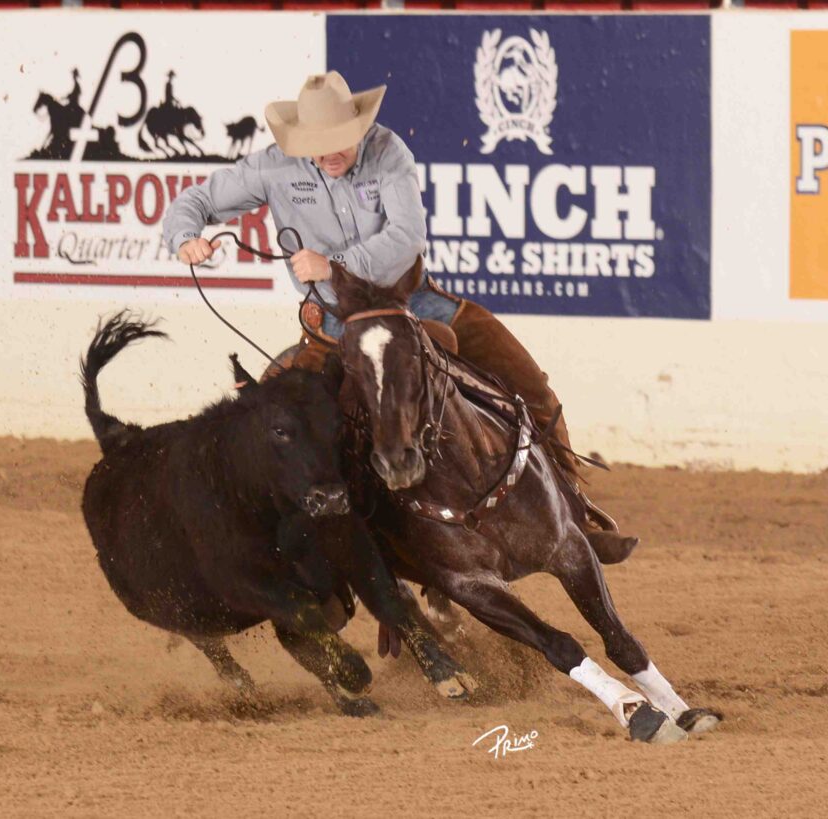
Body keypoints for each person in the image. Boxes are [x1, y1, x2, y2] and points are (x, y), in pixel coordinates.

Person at [162, 71, 636, 559]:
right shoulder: (274, 167)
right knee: (269, 417)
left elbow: (407, 238)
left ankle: (578, 513)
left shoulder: (389, 154)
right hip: (331, 322)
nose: (328, 154)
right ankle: (265, 545)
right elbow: (196, 200)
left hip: (410, 302)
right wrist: (185, 237)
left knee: (529, 384)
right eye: (316, 144)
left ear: (359, 130)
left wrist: (335, 265)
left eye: (339, 142)